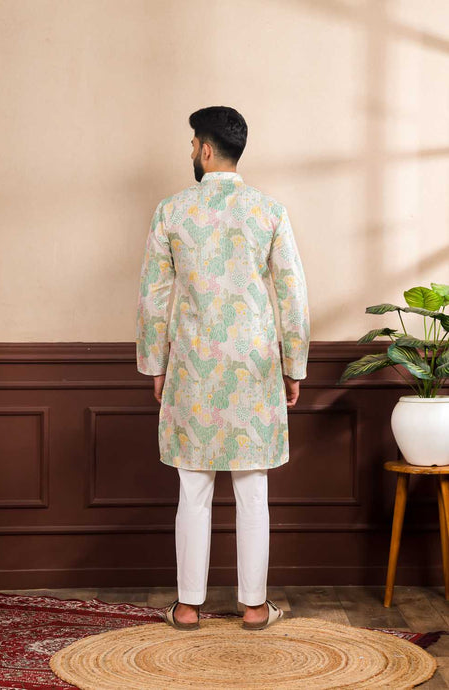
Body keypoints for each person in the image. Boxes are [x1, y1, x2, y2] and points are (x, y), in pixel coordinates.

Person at [136, 105, 310, 630]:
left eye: (193, 143)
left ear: (206, 149)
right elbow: (293, 297)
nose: (191, 151)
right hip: (255, 367)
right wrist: (294, 366)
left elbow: (153, 297)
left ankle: (188, 606)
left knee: (194, 488)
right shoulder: (270, 212)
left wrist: (155, 365)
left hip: (192, 366)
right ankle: (254, 607)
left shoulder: (172, 211)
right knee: (252, 489)